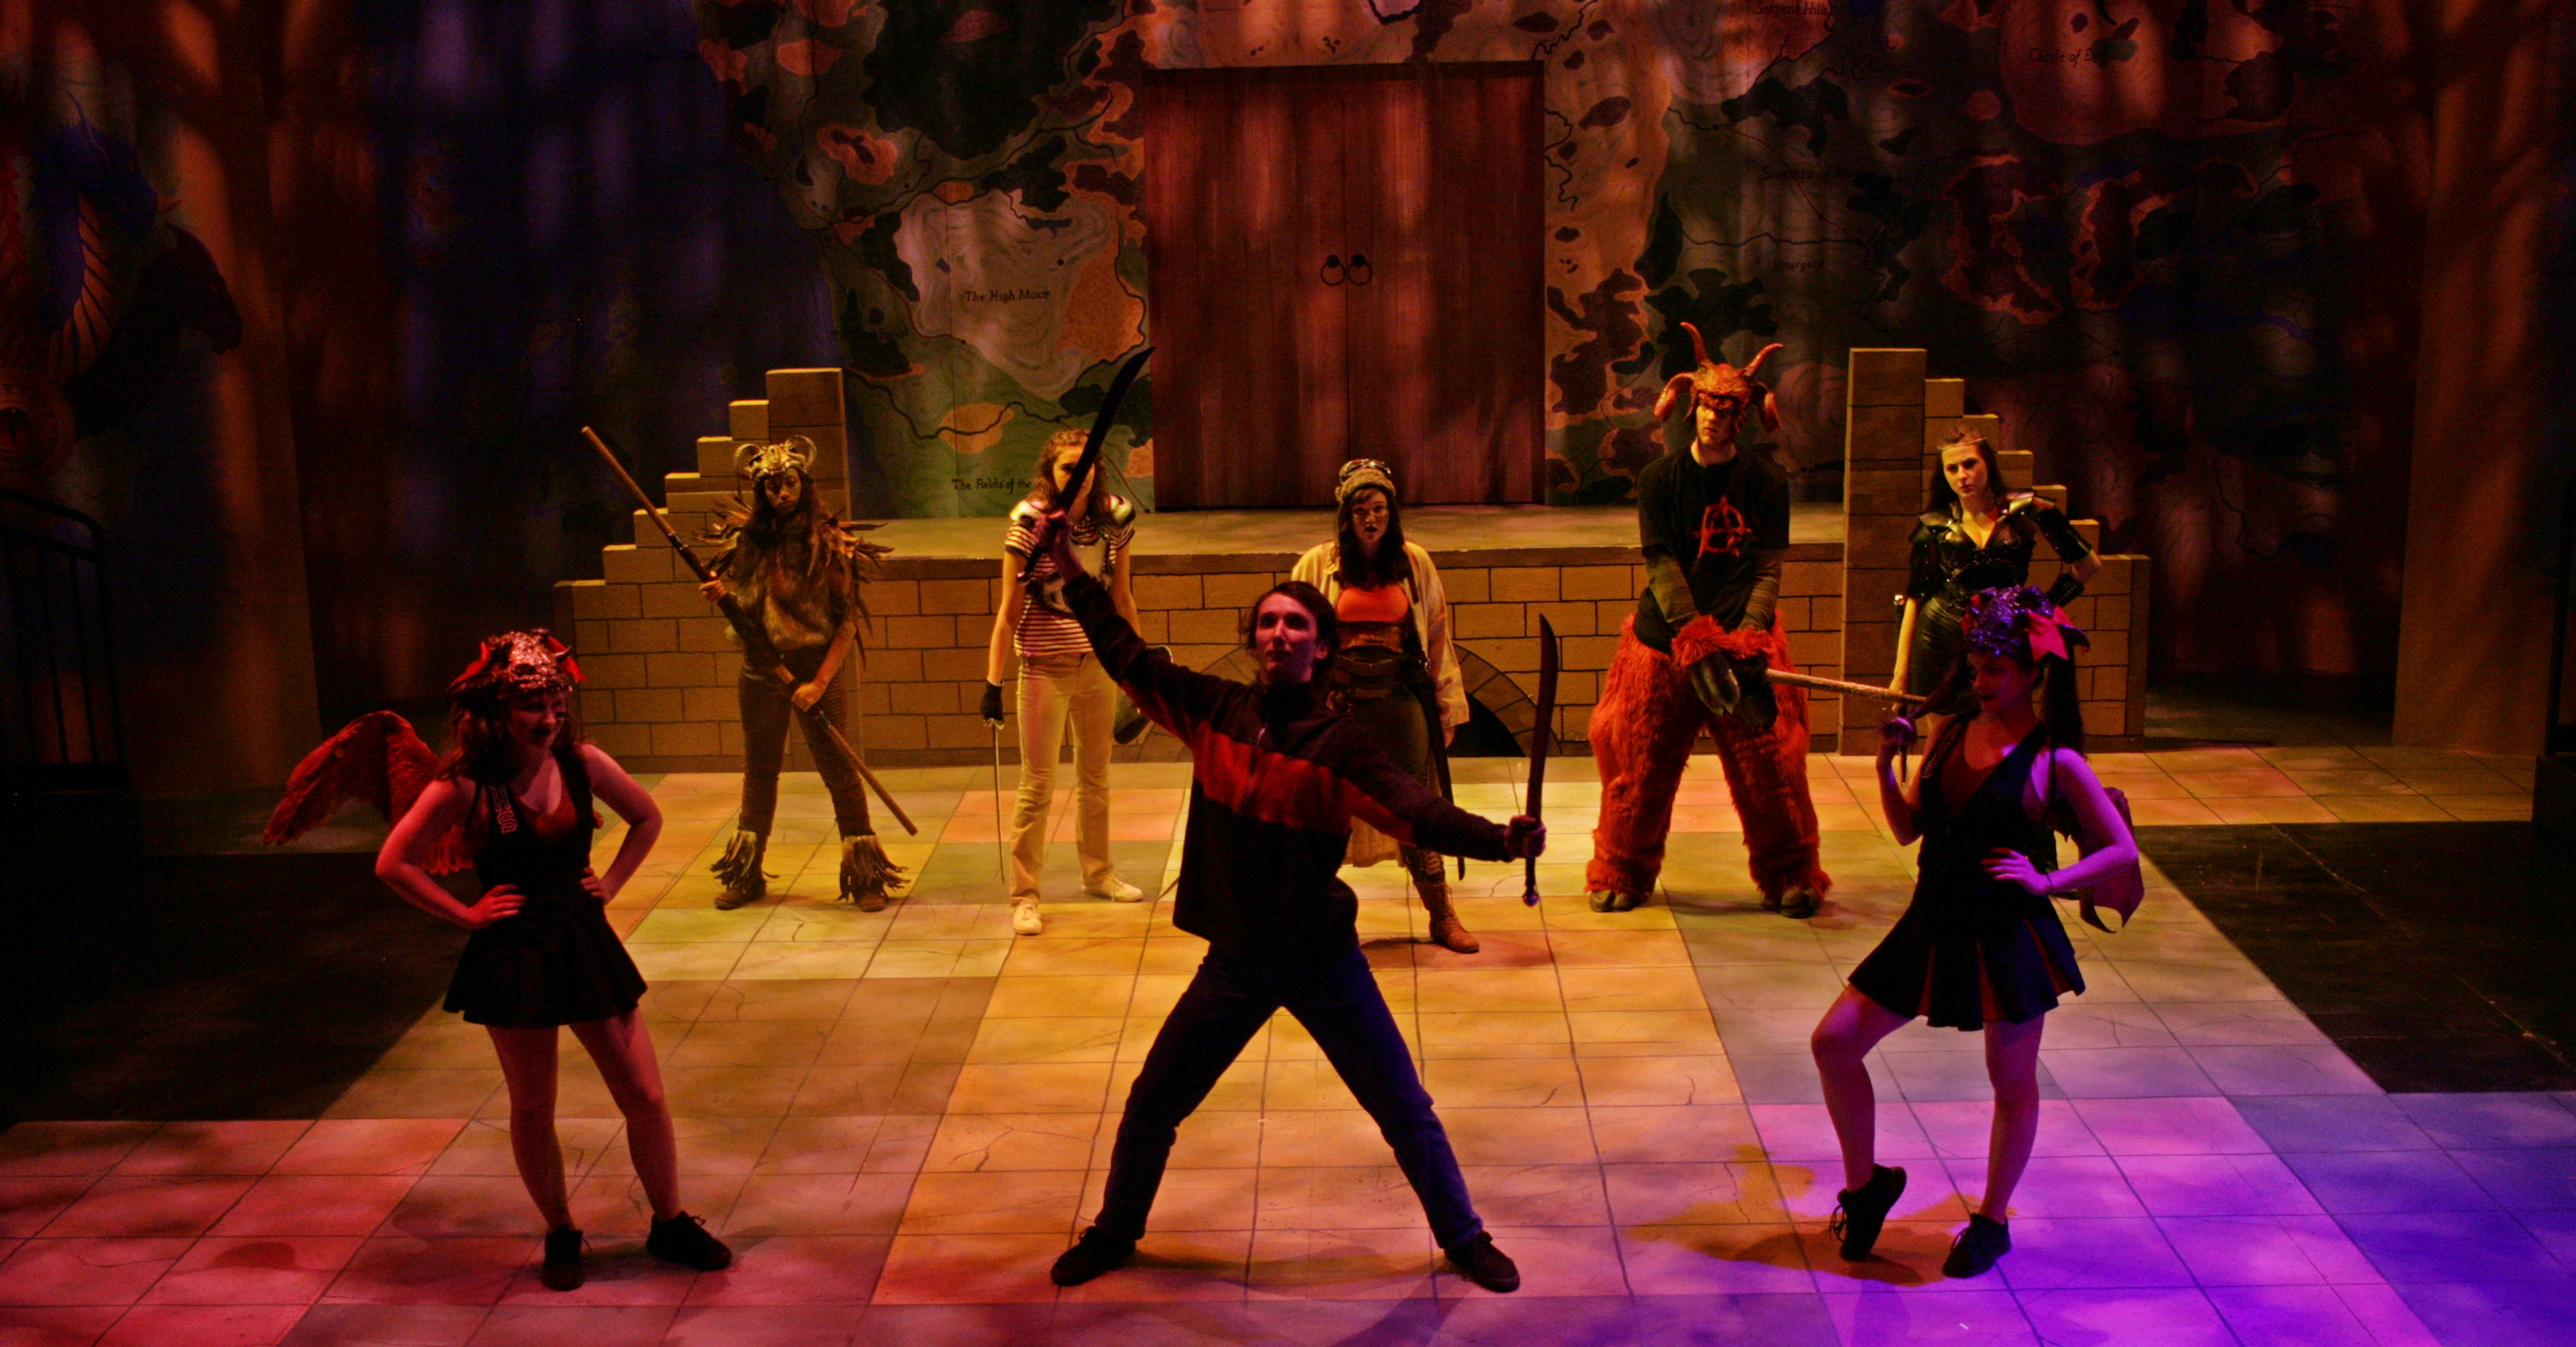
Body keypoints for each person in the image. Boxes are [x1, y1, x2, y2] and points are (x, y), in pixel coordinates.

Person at [1021, 512, 1546, 1295]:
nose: (1278, 633)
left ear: (1321, 646)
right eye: (1267, 622)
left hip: (1322, 962)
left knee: (1404, 1109)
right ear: (1253, 640)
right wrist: (1070, 568)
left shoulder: (1341, 746)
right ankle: (1115, 1232)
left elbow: (1417, 808)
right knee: (1152, 1104)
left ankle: (1464, 1237)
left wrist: (1501, 839)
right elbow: (1125, 653)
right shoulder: (1212, 710)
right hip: (1235, 962)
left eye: (1296, 624)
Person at [372, 631, 732, 1291]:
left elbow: (646, 817)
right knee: (534, 1107)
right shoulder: (465, 783)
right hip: (514, 953)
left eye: (555, 705)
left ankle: (670, 1221)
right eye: (532, 707)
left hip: (583, 941)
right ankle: (561, 1230)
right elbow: (393, 862)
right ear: (498, 712)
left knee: (645, 1095)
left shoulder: (582, 762)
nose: (547, 718)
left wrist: (612, 883)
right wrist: (466, 914)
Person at [1808, 587, 2138, 1278]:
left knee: (2011, 1080)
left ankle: (1991, 1220)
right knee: (1834, 1041)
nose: (1983, 681)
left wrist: (2048, 881)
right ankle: (1867, 1189)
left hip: (2006, 933)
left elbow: (2120, 850)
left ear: (2033, 674)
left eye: (1998, 669)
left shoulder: (2055, 761)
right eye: (1978, 666)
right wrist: (1884, 766)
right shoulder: (1949, 731)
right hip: (1932, 919)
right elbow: (1908, 830)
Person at [1584, 324, 1830, 918]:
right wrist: (1695, 636)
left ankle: (1792, 872)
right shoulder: (1660, 480)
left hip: (1747, 642)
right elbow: (1662, 563)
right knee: (1639, 766)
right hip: (1664, 646)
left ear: (1744, 417)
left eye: (1728, 411)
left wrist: (1747, 637)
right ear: (1691, 408)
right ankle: (1621, 869)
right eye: (1707, 407)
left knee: (1772, 765)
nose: (1715, 419)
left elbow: (1767, 568)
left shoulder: (1767, 482)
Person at [696, 437, 898, 911]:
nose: (782, 494)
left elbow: (846, 622)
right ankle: (746, 874)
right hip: (762, 668)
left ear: (804, 484)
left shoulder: (827, 543)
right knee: (759, 771)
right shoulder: (747, 541)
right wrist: (723, 596)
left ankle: (865, 875)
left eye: (789, 483)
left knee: (839, 771)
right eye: (772, 487)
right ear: (761, 492)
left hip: (813, 668)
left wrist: (820, 683)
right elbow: (748, 610)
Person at [1289, 459, 1478, 953]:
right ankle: (1313, 918)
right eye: (1360, 511)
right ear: (1346, 517)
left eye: (1378, 509)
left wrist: (1445, 707)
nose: (1370, 519)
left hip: (1400, 701)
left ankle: (1441, 914)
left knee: (1414, 807)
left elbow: (1436, 634)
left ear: (1391, 513)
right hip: (1340, 705)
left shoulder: (1414, 563)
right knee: (1323, 811)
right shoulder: (1317, 565)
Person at [980, 429, 1148, 937]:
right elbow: (1008, 612)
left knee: (1096, 778)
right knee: (1037, 786)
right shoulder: (1029, 526)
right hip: (1043, 668)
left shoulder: (1113, 523)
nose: (1077, 476)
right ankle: (1025, 895)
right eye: (1067, 468)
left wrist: (1139, 663)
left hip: (1097, 663)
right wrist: (992, 682)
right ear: (1050, 473)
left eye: (1086, 466)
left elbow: (1122, 597)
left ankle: (1099, 874)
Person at [1893, 428, 2099, 713]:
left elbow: (2088, 564)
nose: (1962, 475)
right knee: (1942, 729)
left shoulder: (2027, 508)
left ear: (1988, 463)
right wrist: (1900, 674)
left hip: (2000, 636)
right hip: (1939, 635)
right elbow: (1916, 597)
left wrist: (2040, 607)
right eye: (1952, 468)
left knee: (2001, 724)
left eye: (1970, 464)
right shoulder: (1935, 523)